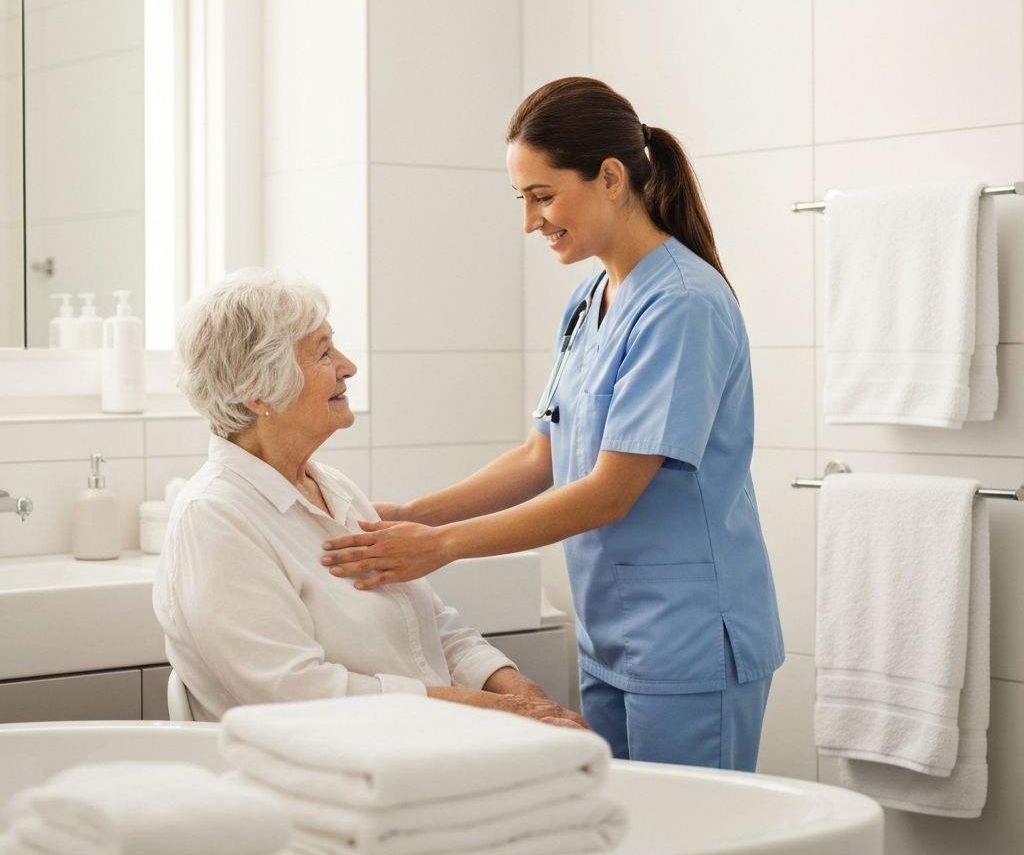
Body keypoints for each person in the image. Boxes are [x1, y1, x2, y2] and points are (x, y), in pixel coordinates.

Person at [320, 77, 785, 770]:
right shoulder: (589, 298)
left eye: (543, 196)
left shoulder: (682, 305)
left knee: (688, 834)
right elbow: (541, 456)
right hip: (612, 637)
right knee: (618, 828)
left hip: (688, 639)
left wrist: (441, 544)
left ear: (610, 178)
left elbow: (609, 492)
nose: (531, 221)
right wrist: (408, 516)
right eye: (523, 200)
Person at [153, 267, 584, 728]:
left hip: (420, 743)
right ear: (257, 391)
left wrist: (526, 698)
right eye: (322, 354)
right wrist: (495, 711)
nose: (348, 366)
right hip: (328, 770)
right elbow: (297, 694)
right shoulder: (215, 518)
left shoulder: (333, 489)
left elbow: (435, 628)